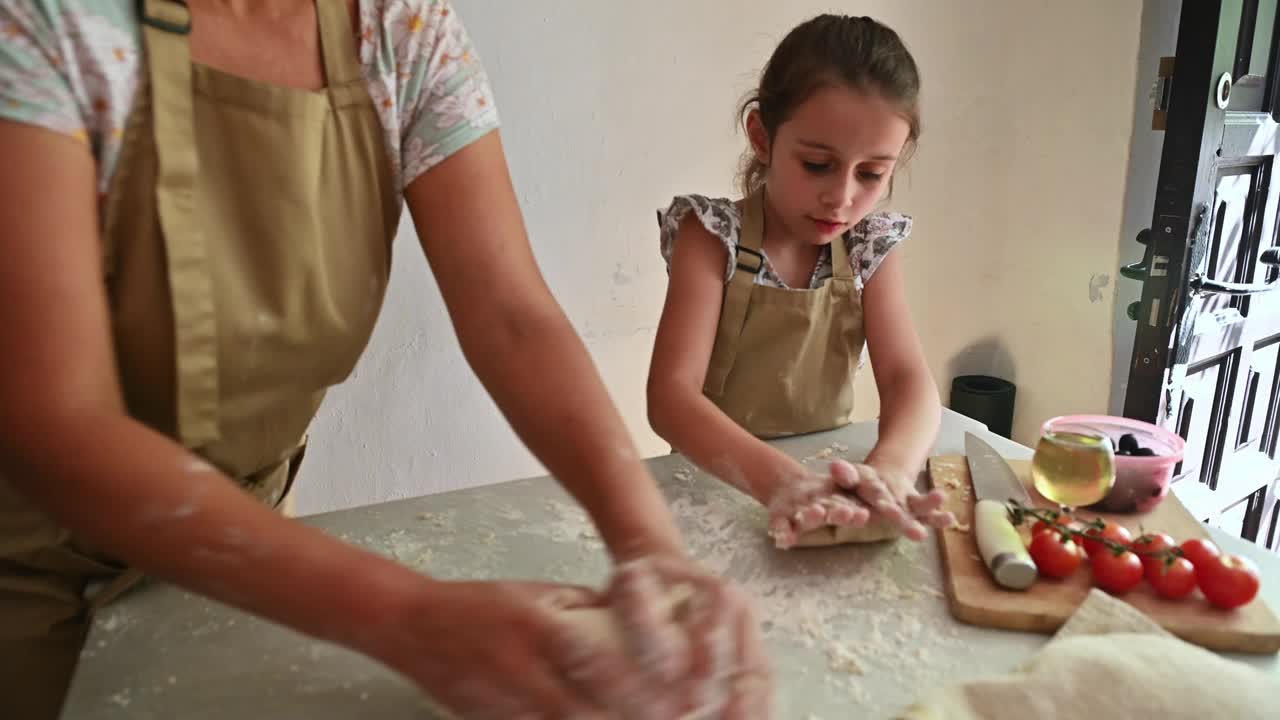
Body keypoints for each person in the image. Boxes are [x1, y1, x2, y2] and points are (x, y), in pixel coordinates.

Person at [0, 1, 769, 718]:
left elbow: (513, 317)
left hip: (253, 549)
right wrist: (412, 618)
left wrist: (650, 548)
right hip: (31, 574)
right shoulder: (44, 26)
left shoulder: (402, 33)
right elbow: (57, 422)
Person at [647, 15, 955, 550]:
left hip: (829, 485)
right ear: (762, 137)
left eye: (870, 174)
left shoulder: (868, 247)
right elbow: (670, 399)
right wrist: (781, 483)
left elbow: (910, 382)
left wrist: (890, 471)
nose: (841, 198)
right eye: (818, 164)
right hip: (716, 485)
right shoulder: (710, 235)